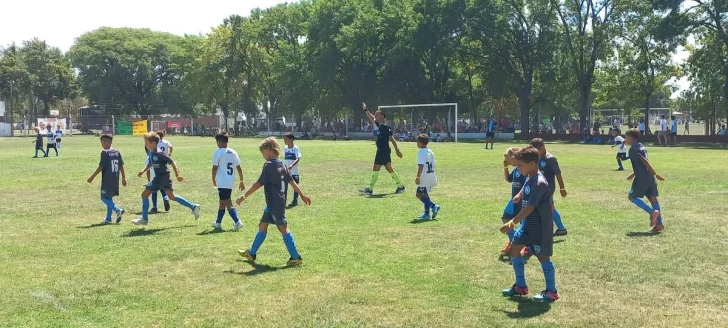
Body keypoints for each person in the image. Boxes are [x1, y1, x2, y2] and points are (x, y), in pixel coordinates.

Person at [236, 137, 312, 266]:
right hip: (275, 203)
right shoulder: (283, 164)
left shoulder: (269, 165)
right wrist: (302, 195)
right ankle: (252, 253)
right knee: (263, 225)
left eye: (263, 152)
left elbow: (258, 184)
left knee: (283, 228)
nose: (263, 156)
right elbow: (292, 181)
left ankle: (296, 256)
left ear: (269, 149)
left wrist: (243, 197)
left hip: (274, 203)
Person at [500, 147, 560, 302]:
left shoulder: (539, 182)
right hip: (526, 226)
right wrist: (519, 195)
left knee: (543, 257)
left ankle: (551, 291)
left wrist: (512, 222)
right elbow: (525, 187)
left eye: (520, 165)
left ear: (532, 164)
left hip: (539, 228)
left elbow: (530, 207)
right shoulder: (530, 176)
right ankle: (520, 286)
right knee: (514, 251)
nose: (518, 168)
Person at [133, 131, 200, 225]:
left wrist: (177, 175)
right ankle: (193, 207)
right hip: (165, 178)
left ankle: (144, 219)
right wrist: (143, 170)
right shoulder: (151, 152)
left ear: (153, 143)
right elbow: (151, 162)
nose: (145, 145)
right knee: (172, 196)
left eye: (146, 143)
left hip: (160, 178)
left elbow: (172, 162)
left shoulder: (160, 153)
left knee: (144, 195)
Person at [359, 102, 405, 195]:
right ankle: (401, 186)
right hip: (383, 151)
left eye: (377, 114)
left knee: (377, 167)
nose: (375, 115)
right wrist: (365, 109)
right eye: (375, 114)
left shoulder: (385, 127)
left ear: (382, 116)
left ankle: (370, 189)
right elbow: (370, 117)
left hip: (383, 151)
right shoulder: (378, 124)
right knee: (389, 168)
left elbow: (392, 139)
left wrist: (397, 150)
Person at [625, 129, 665, 233]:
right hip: (649, 176)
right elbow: (643, 164)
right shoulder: (641, 146)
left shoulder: (633, 149)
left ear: (631, 137)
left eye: (626, 137)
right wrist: (634, 173)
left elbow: (644, 161)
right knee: (653, 198)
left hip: (642, 177)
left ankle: (652, 212)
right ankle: (659, 225)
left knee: (631, 196)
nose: (625, 139)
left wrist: (656, 173)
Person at [529, 138, 568, 236]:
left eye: (536, 150)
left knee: (547, 207)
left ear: (542, 148)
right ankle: (561, 228)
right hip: (539, 187)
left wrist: (562, 188)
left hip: (548, 188)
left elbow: (558, 174)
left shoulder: (550, 159)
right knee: (550, 207)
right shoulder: (537, 158)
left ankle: (553, 228)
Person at [86, 134, 127, 224]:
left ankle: (117, 210)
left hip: (107, 179)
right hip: (115, 179)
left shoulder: (105, 152)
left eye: (103, 142)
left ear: (107, 142)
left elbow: (101, 167)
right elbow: (121, 166)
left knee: (104, 198)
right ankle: (108, 218)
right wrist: (124, 177)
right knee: (109, 198)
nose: (102, 144)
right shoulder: (117, 151)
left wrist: (92, 177)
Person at [211, 131, 245, 231]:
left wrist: (213, 179)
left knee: (228, 203)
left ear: (220, 141)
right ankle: (218, 223)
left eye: (217, 141)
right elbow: (239, 167)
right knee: (222, 203)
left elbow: (214, 168)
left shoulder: (218, 152)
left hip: (222, 182)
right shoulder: (233, 152)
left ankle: (237, 222)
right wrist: (241, 180)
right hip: (230, 181)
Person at [501, 147, 528, 257]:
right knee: (506, 218)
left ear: (513, 156)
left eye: (506, 156)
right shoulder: (516, 168)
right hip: (513, 199)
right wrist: (505, 167)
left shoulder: (523, 167)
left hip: (522, 200)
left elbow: (528, 183)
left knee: (523, 223)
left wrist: (521, 195)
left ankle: (523, 245)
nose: (505, 159)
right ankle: (514, 241)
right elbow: (508, 179)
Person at [414, 134, 440, 220]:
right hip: (431, 175)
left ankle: (433, 206)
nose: (416, 143)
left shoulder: (421, 152)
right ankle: (426, 214)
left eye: (417, 141)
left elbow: (421, 165)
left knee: (418, 194)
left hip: (424, 176)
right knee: (425, 195)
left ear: (421, 143)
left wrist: (418, 177)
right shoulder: (430, 151)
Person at [154, 130, 172, 212]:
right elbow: (171, 147)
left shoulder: (155, 143)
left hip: (156, 161)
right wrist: (169, 154)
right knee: (163, 183)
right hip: (165, 160)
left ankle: (154, 206)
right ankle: (165, 197)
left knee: (154, 186)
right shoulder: (166, 142)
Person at [283, 133, 302, 207]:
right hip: (286, 170)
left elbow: (298, 158)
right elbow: (285, 159)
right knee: (284, 186)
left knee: (295, 186)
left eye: (285, 139)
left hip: (294, 170)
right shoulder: (285, 148)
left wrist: (292, 165)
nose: (284, 140)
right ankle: (283, 201)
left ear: (291, 139)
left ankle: (295, 200)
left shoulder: (296, 148)